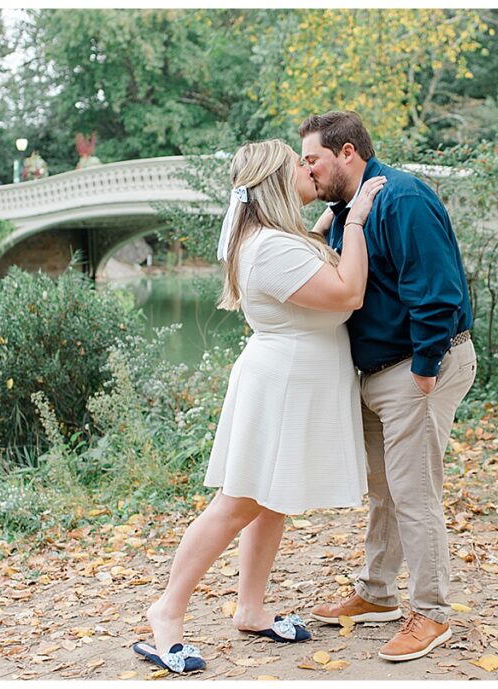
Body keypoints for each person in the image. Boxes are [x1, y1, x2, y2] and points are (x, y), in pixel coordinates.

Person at [132, 139, 386, 673]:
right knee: (240, 501)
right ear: (276, 179)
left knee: (274, 499)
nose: (307, 166)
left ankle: (250, 608)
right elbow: (347, 295)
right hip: (284, 382)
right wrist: (357, 221)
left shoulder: (277, 237)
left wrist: (322, 227)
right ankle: (166, 612)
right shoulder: (270, 246)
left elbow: (309, 260)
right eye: (298, 163)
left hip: (298, 377)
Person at [300, 111, 476, 663]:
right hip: (376, 372)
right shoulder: (345, 212)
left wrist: (425, 365)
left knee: (414, 491)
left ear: (346, 152)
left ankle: (432, 612)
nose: (307, 170)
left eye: (313, 159)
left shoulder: (402, 198)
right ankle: (377, 594)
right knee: (384, 488)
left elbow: (438, 288)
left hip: (416, 368)